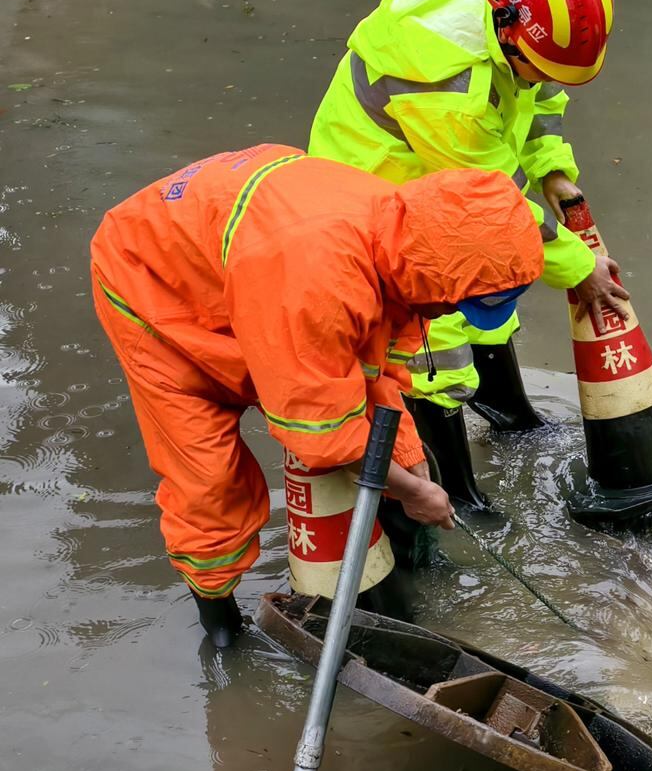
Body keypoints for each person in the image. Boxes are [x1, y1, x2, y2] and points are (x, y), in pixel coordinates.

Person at [90, 145, 545, 647]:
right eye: (454, 301)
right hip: (153, 282)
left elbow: (376, 371)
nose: (444, 312)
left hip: (251, 256)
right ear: (438, 278)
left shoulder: (411, 234)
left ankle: (403, 567)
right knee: (208, 477)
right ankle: (220, 622)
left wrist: (409, 462)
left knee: (354, 408)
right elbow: (321, 432)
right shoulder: (321, 283)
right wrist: (414, 492)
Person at [309, 0, 624, 505]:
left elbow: (542, 97)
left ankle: (507, 411)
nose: (546, 78)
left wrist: (553, 169)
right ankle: (456, 490)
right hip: (380, 194)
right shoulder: (449, 87)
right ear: (508, 35)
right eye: (540, 67)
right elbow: (496, 207)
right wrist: (581, 267)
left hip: (449, 172)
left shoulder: (514, 15)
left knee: (493, 290)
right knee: (434, 336)